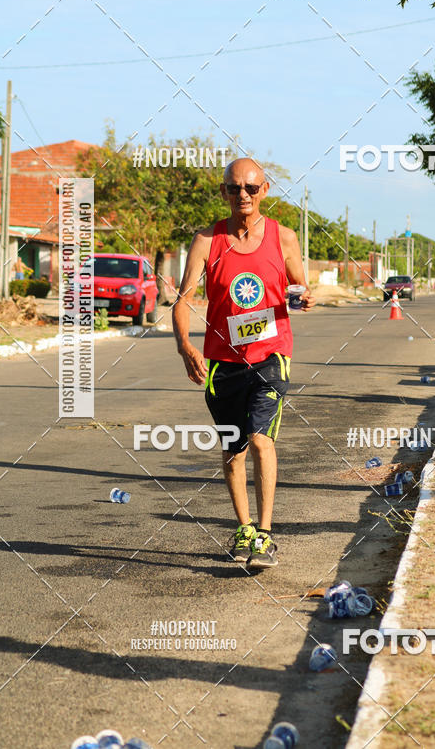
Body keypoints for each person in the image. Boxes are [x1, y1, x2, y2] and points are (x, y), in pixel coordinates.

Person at [172, 158, 315, 569]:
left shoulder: (284, 238)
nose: (243, 195)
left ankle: (266, 533)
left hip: (271, 355)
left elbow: (300, 287)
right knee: (233, 448)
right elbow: (183, 300)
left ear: (265, 190)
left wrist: (305, 297)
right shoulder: (206, 240)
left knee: (259, 438)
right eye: (235, 188)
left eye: (251, 188)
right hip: (222, 361)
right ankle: (245, 528)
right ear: (224, 193)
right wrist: (185, 345)